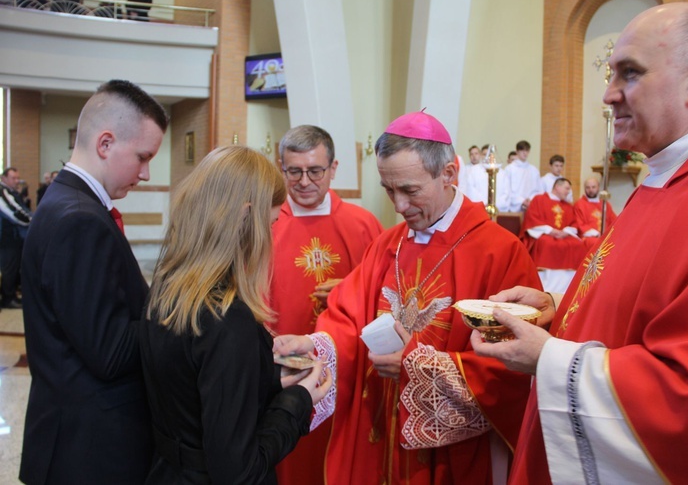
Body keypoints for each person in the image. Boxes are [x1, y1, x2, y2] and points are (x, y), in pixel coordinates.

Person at [471, 2, 688, 484]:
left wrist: (549, 358)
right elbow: (642, 307)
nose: (608, 94)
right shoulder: (667, 175)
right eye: (609, 73)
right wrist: (556, 307)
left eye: (630, 73)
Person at [275, 110, 542, 484]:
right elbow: (347, 320)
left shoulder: (500, 252)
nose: (398, 206)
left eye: (410, 190)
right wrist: (313, 345)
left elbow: (513, 366)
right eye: (389, 190)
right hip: (379, 428)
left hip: (451, 454)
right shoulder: (388, 244)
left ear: (449, 174)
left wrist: (417, 368)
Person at [140, 146, 332, 484]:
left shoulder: (169, 283)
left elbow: (192, 382)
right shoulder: (227, 318)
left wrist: (269, 377)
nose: (271, 236)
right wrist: (298, 401)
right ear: (247, 217)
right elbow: (238, 471)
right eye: (271, 223)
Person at [20, 80, 169, 485]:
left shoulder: (67, 201)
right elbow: (110, 353)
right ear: (105, 143)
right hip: (89, 452)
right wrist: (174, 310)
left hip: (78, 439)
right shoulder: (80, 220)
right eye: (142, 157)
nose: (145, 173)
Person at [270, 125, 382, 485]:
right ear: (280, 167)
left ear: (334, 168)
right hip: (283, 369)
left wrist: (349, 288)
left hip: (346, 371)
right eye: (294, 171)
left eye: (315, 170)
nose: (304, 181)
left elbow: (386, 295)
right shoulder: (265, 224)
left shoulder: (363, 225)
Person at [521, 177, 586, 293]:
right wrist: (550, 230)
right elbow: (532, 218)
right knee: (547, 243)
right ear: (557, 186)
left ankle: (569, 288)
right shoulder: (539, 199)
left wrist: (566, 231)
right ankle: (545, 286)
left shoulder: (567, 205)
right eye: (566, 188)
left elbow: (574, 223)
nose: (568, 192)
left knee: (577, 244)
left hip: (563, 235)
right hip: (545, 233)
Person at [0, 167, 32, 309]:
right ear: (4, 178)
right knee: (9, 268)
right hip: (7, 238)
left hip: (14, 236)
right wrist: (33, 221)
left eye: (17, 178)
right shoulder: (2, 191)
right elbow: (14, 213)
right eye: (13, 178)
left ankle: (11, 295)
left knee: (14, 267)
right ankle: (8, 299)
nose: (17, 181)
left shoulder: (10, 191)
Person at [498, 140, 543, 212]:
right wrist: (522, 201)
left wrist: (530, 200)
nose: (525, 153)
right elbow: (506, 190)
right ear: (517, 152)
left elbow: (539, 190)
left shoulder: (534, 170)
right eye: (522, 150)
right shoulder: (509, 169)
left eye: (527, 151)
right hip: (514, 206)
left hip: (531, 206)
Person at [573, 177, 617, 250]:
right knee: (598, 243)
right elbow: (579, 224)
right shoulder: (579, 204)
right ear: (584, 189)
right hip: (588, 237)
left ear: (598, 188)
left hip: (605, 236)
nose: (591, 190)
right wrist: (596, 233)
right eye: (588, 187)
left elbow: (614, 221)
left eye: (593, 187)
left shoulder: (605, 204)